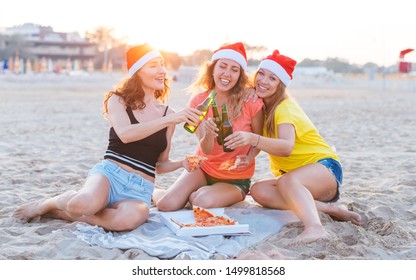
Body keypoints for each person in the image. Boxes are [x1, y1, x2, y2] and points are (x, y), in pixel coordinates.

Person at [13, 44, 202, 231]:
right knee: (82, 204)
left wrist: (180, 164)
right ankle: (48, 203)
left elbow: (159, 165)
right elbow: (126, 134)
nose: (162, 70)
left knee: (128, 220)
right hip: (110, 175)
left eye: (162, 64)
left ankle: (61, 214)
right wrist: (170, 119)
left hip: (140, 189)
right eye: (153, 65)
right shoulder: (118, 100)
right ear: (137, 72)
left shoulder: (168, 114)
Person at [224, 50, 361, 243]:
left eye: (272, 78)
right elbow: (265, 139)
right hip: (298, 179)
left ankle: (315, 228)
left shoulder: (284, 108)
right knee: (258, 191)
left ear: (281, 85)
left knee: (285, 182)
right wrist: (250, 156)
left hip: (325, 168)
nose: (263, 81)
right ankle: (330, 209)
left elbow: (286, 147)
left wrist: (252, 138)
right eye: (261, 74)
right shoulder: (264, 105)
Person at [154, 42, 264, 211]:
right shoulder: (199, 101)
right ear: (213, 69)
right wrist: (209, 134)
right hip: (203, 168)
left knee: (201, 201)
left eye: (234, 70)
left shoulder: (250, 101)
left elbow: (259, 140)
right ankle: (156, 191)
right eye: (223, 66)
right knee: (166, 204)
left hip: (235, 178)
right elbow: (205, 150)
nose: (227, 74)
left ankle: (203, 195)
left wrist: (249, 157)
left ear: (240, 75)